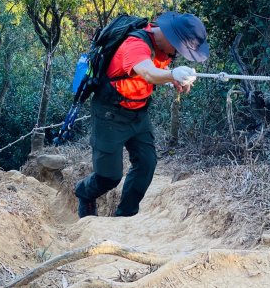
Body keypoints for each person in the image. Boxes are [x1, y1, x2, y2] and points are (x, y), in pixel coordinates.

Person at [75, 11, 209, 218]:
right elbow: (147, 72)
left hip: (138, 112)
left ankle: (125, 216)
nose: (179, 54)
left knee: (147, 163)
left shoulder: (164, 48)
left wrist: (172, 79)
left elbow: (153, 74)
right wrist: (171, 74)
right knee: (109, 176)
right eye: (180, 48)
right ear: (170, 37)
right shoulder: (135, 45)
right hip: (109, 113)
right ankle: (84, 193)